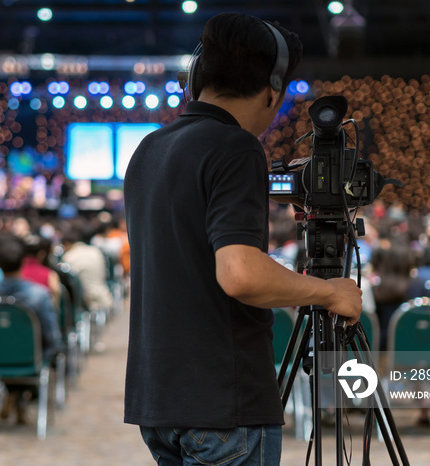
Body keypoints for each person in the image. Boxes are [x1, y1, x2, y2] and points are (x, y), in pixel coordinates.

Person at [123, 13, 362, 465]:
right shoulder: (235, 146)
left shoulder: (149, 148)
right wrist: (330, 291)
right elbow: (240, 274)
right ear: (273, 91)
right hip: (221, 404)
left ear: (197, 77)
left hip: (158, 399)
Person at [0, 235, 63, 424]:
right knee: (24, 347)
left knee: (6, 342)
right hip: (29, 356)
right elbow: (51, 336)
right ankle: (19, 397)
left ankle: (13, 395)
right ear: (22, 263)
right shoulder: (39, 295)